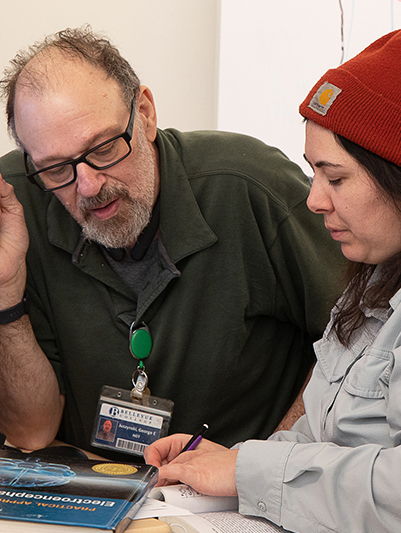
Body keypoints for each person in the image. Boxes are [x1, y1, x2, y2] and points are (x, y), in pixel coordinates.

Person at [0, 27, 344, 457]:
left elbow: (363, 338)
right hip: (102, 492)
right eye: (55, 169)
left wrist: (265, 462)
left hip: (238, 504)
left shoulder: (248, 186)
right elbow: (32, 433)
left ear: (144, 114)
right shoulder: (17, 206)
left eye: (104, 148)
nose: (86, 186)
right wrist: (6, 296)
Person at [144, 29, 401, 533]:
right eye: (313, 174)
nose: (314, 200)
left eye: (338, 178)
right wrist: (221, 466)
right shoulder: (369, 284)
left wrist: (247, 470)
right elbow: (323, 441)